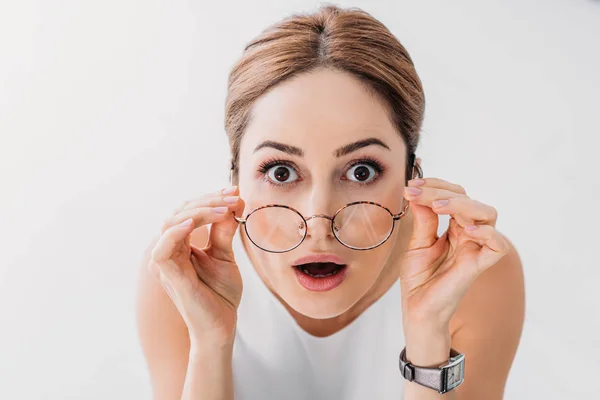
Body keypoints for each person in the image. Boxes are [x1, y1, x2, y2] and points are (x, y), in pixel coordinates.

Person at [135, 4, 525, 399]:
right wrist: (211, 342)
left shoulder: (470, 270)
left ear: (412, 177)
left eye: (361, 172)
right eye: (281, 172)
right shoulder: (180, 271)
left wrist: (428, 335)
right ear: (235, 178)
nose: (319, 219)